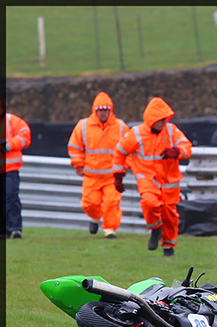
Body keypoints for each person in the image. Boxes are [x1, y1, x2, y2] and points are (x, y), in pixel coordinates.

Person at [112, 97, 191, 256]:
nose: (163, 123)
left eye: (165, 119)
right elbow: (120, 152)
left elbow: (187, 147)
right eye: (160, 120)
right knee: (149, 203)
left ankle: (168, 247)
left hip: (170, 181)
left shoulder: (171, 130)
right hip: (147, 178)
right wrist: (118, 175)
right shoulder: (136, 134)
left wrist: (177, 151)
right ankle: (155, 229)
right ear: (151, 120)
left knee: (170, 216)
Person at [68, 92, 129, 239]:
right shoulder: (83, 126)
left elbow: (129, 149)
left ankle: (110, 230)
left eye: (106, 110)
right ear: (95, 110)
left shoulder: (120, 127)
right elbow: (75, 147)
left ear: (111, 110)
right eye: (100, 110)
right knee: (89, 203)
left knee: (111, 203)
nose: (103, 113)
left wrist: (124, 168)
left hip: (111, 176)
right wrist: (78, 164)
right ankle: (95, 218)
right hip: (91, 175)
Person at [2, 99, 32, 239]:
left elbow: (25, 136)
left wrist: (10, 145)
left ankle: (14, 229)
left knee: (11, 196)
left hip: (10, 168)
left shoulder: (11, 121)